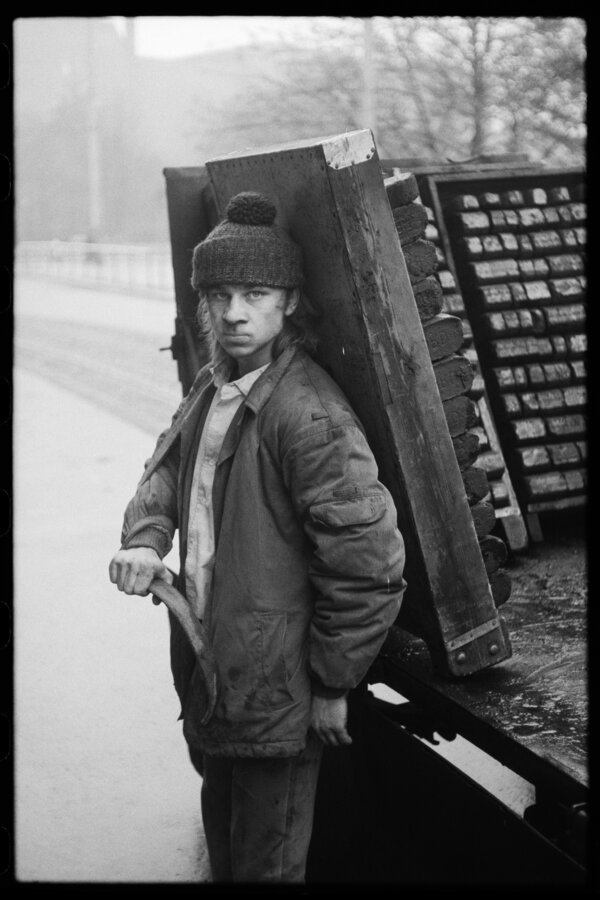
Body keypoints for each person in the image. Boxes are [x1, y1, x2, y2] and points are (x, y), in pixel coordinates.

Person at [109, 191, 406, 883]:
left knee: (264, 866)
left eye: (256, 293)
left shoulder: (309, 416)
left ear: (290, 301)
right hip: (219, 668)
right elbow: (167, 467)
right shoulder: (215, 385)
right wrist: (146, 538)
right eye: (219, 295)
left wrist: (332, 682)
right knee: (226, 843)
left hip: (277, 685)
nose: (234, 313)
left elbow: (368, 563)